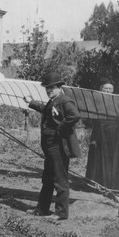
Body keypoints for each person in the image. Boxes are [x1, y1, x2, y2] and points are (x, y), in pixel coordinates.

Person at [23, 73, 80, 221]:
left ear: (59, 88)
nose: (49, 91)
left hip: (58, 146)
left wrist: (60, 129)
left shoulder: (65, 100)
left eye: (52, 88)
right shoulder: (54, 100)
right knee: (47, 178)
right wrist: (31, 102)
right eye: (47, 88)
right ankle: (42, 209)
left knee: (60, 179)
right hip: (50, 147)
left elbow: (74, 116)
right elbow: (45, 109)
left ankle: (61, 213)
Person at [85, 80, 119, 189]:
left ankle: (113, 184)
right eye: (105, 89)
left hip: (114, 135)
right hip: (100, 133)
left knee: (113, 159)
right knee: (98, 158)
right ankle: (97, 183)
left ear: (113, 91)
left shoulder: (117, 101)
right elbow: (91, 120)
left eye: (110, 89)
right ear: (101, 89)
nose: (108, 91)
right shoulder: (96, 101)